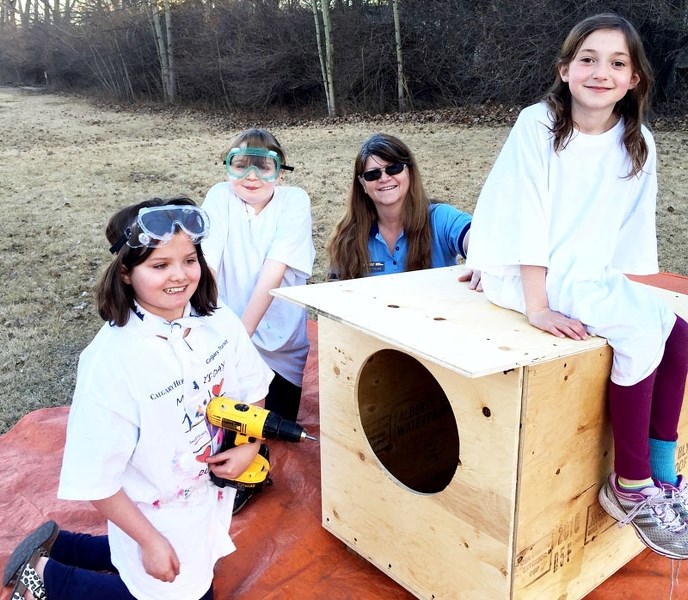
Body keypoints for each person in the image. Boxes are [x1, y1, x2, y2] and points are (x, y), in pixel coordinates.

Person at [466, 13, 688, 559]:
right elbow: (527, 215)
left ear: (634, 78)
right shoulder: (537, 124)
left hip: (585, 270)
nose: (600, 71)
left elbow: (627, 235)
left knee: (679, 330)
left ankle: (662, 473)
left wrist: (625, 290)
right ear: (565, 70)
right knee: (639, 330)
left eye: (618, 62)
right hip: (531, 272)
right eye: (587, 59)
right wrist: (533, 305)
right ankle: (629, 486)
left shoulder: (639, 142)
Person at [3, 197, 274, 600]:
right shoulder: (111, 361)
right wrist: (149, 540)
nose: (180, 276)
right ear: (126, 273)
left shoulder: (219, 322)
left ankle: (68, 547)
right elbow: (96, 477)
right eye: (160, 265)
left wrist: (250, 445)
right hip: (150, 511)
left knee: (190, 570)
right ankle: (47, 577)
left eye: (189, 260)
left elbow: (253, 391)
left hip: (202, 499)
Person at [202, 129, 315, 424]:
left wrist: (240, 339)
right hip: (226, 339)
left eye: (263, 167)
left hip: (281, 347)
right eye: (241, 166)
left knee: (274, 429)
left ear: (279, 173)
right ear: (228, 169)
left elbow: (273, 272)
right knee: (222, 431)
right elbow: (207, 268)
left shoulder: (295, 201)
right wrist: (216, 337)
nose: (251, 176)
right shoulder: (219, 195)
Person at [326, 132, 478, 287]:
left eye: (394, 168)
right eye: (373, 174)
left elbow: (480, 239)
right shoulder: (346, 236)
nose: (384, 179)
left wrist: (485, 259)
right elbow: (332, 296)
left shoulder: (441, 218)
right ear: (363, 183)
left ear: (410, 172)